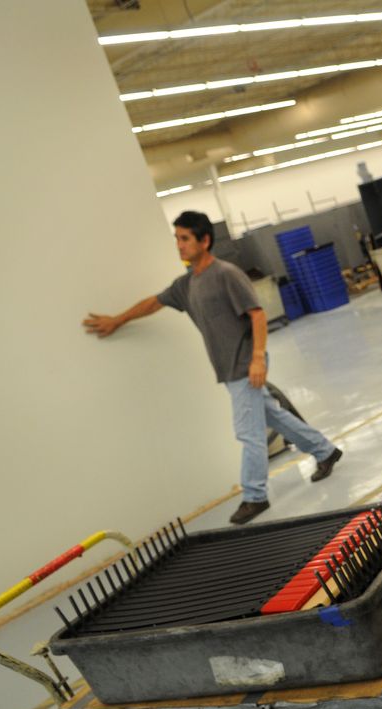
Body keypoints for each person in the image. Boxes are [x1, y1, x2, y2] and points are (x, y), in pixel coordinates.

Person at [84, 211, 343, 525]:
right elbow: (154, 302)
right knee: (273, 415)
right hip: (229, 367)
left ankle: (255, 496)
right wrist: (117, 320)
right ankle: (324, 450)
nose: (178, 245)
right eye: (176, 239)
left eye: (184, 239)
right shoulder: (186, 284)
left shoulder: (226, 274)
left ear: (204, 241)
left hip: (245, 363)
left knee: (248, 434)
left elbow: (257, 315)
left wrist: (258, 358)